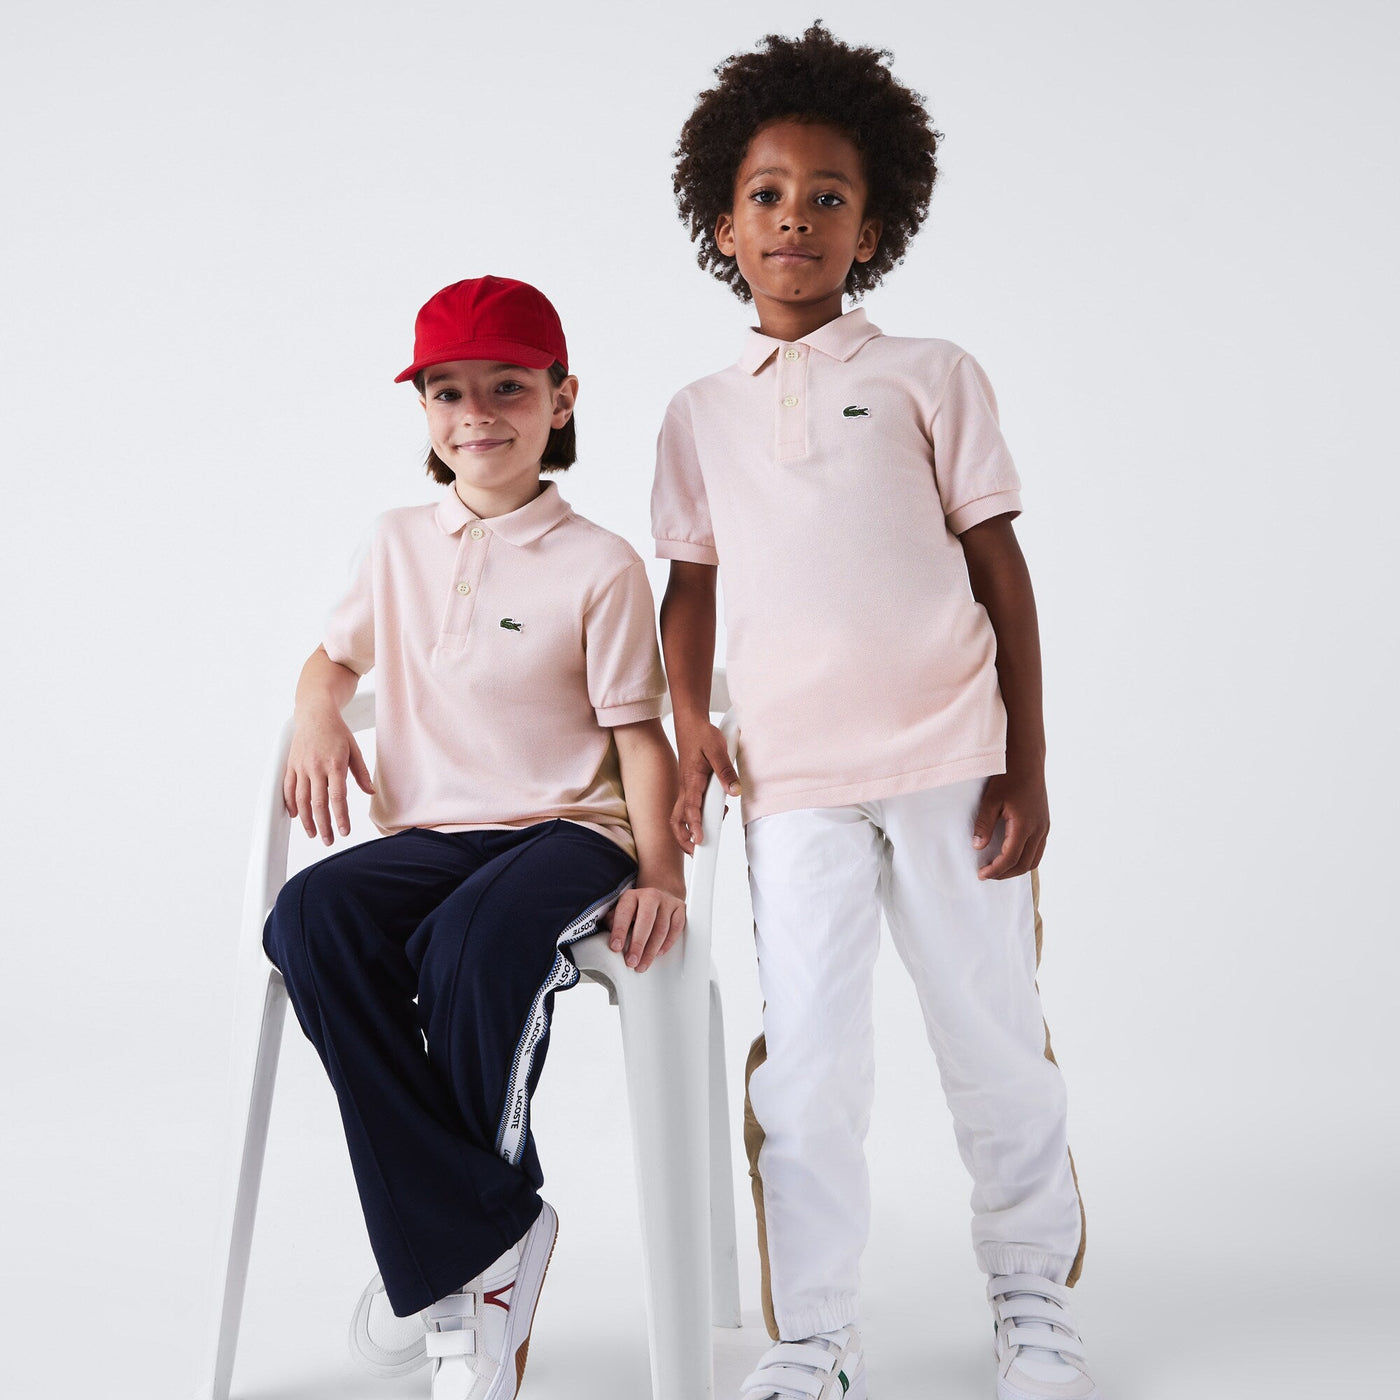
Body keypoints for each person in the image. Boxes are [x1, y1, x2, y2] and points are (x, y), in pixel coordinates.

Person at [653, 24, 1098, 1400]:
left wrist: (1027, 760)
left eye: (827, 195)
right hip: (789, 777)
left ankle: (1030, 1283)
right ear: (723, 224)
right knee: (810, 1059)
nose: (795, 217)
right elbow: (688, 588)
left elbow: (1002, 574)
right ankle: (814, 1330)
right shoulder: (696, 414)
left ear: (874, 224)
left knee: (988, 1026)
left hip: (952, 754)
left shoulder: (930, 375)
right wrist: (690, 720)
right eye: (767, 195)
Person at [262, 275, 687, 1400]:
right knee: (309, 914)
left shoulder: (599, 560)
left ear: (561, 399)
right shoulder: (395, 541)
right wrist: (316, 710)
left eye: (507, 386)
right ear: (423, 410)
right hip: (436, 831)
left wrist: (664, 872)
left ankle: (464, 1281)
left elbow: (637, 736)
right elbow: (333, 658)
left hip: (569, 830)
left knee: (471, 941)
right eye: (447, 391)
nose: (476, 413)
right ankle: (490, 1229)